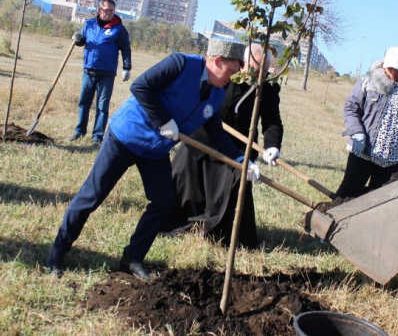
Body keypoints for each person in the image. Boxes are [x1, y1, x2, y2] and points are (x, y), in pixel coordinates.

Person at [46, 39, 261, 281]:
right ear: (218, 61)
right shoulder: (181, 64)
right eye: (230, 71)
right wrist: (163, 120)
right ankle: (59, 250)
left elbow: (217, 134)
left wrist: (244, 161)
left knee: (164, 201)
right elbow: (140, 86)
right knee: (92, 195)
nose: (230, 78)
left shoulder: (216, 93)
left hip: (155, 150)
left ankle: (132, 258)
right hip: (126, 137)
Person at [163, 43, 283, 249]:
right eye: (257, 70)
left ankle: (223, 232)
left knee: (236, 181)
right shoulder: (225, 76)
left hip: (237, 146)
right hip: (203, 134)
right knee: (184, 167)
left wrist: (272, 146)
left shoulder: (268, 88)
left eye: (265, 71)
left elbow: (272, 121)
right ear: (243, 64)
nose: (261, 75)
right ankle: (179, 219)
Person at [336, 46, 398, 198]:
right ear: (384, 65)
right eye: (390, 68)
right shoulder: (368, 82)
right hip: (363, 153)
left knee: (377, 201)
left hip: (393, 160)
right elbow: (351, 107)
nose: (393, 73)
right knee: (347, 193)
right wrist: (357, 131)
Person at [69, 0, 131, 144]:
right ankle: (79, 131)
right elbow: (82, 40)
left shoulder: (119, 29)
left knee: (102, 106)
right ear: (99, 10)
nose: (108, 13)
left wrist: (126, 67)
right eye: (105, 10)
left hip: (106, 73)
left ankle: (97, 136)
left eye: (111, 11)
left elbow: (126, 49)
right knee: (83, 103)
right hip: (88, 71)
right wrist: (77, 38)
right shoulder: (89, 24)